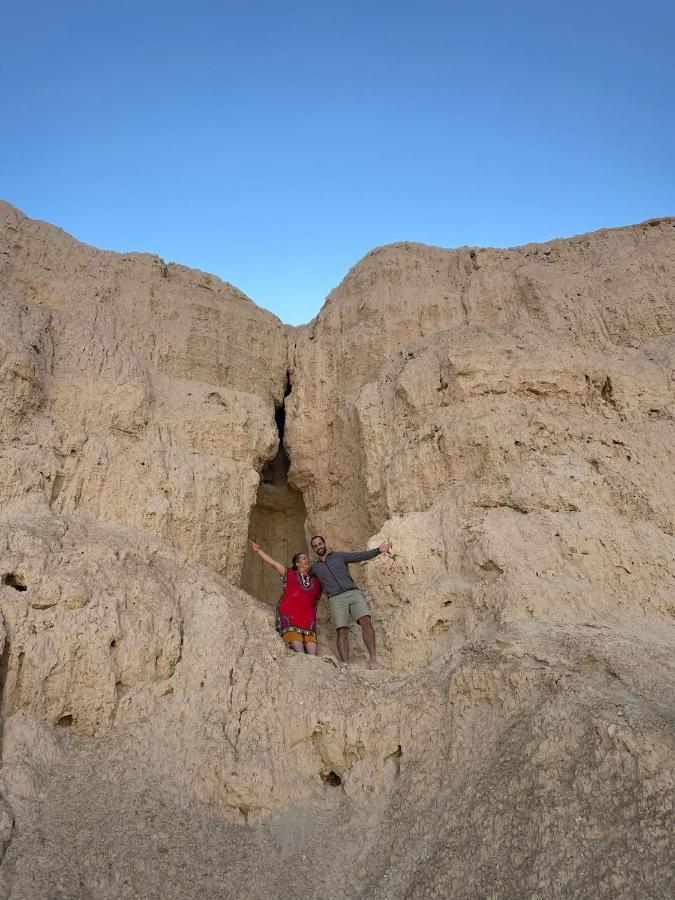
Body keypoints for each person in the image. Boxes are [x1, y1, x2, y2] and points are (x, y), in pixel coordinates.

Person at [309, 535, 391, 668]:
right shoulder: (315, 568)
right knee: (342, 630)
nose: (319, 547)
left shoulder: (339, 556)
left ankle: (373, 659)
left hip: (353, 593)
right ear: (313, 549)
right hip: (335, 598)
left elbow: (359, 556)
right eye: (315, 546)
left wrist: (378, 550)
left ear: (324, 543)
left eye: (320, 544)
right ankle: (344, 664)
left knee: (365, 621)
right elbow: (304, 579)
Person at [250, 542, 322, 654]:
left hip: (308, 618)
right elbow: (273, 563)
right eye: (303, 559)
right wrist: (258, 551)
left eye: (307, 558)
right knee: (301, 654)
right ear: (297, 563)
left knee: (313, 656)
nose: (307, 560)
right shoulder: (288, 573)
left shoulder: (316, 581)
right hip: (291, 615)